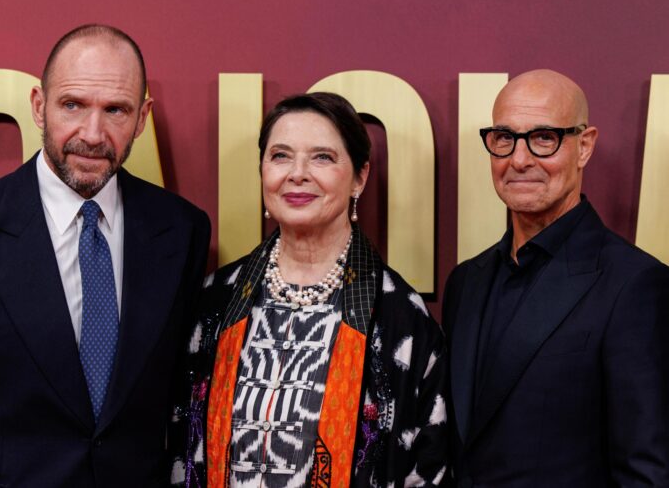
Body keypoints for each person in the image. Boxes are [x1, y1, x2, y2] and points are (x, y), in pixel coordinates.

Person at [0, 24, 210, 487]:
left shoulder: (182, 230)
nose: (92, 134)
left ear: (142, 118)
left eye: (115, 110)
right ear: (39, 106)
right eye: (73, 105)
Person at [169, 92, 448, 487]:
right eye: (280, 156)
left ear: (360, 177)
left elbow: (428, 468)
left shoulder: (399, 314)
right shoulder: (216, 300)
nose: (297, 173)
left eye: (322, 157)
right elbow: (179, 445)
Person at [443, 69, 669, 487]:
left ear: (584, 146)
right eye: (504, 138)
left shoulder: (635, 285)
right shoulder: (465, 283)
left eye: (544, 138)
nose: (520, 159)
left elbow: (648, 471)